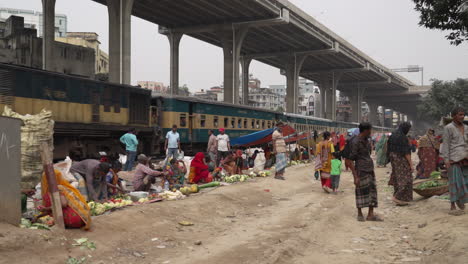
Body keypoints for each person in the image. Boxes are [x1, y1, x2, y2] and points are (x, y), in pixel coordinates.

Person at [347, 122, 382, 222]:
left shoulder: (366, 140)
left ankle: (370, 214)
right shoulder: (355, 142)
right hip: (361, 170)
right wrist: (355, 176)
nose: (371, 132)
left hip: (369, 169)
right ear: (365, 130)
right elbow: (349, 160)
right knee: (360, 191)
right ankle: (360, 213)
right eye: (370, 130)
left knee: (372, 191)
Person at [441, 107, 468, 215]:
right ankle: (452, 205)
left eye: (463, 115)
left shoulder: (466, 127)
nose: (462, 116)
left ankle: (460, 200)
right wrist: (446, 161)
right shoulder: (448, 128)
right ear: (453, 116)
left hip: (465, 157)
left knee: (465, 181)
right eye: (460, 114)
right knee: (453, 182)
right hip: (453, 158)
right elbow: (446, 145)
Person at [387, 122, 414, 206]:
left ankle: (400, 198)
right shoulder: (403, 138)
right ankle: (398, 197)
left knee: (397, 177)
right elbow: (406, 153)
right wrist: (411, 165)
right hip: (400, 159)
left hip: (393, 158)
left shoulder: (393, 135)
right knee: (406, 177)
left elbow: (388, 148)